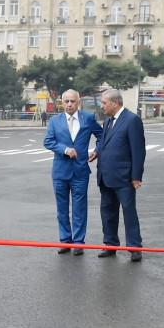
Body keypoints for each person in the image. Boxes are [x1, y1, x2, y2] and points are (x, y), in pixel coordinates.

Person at [43, 89, 103, 255]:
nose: (69, 104)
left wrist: (97, 150)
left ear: (79, 102)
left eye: (73, 101)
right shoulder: (55, 121)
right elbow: (48, 141)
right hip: (60, 172)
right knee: (62, 209)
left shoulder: (88, 119)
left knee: (79, 209)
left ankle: (78, 243)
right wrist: (64, 149)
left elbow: (102, 135)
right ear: (62, 103)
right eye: (66, 101)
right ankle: (65, 241)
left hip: (80, 172)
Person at [94, 89, 146, 262]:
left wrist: (136, 176)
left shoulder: (132, 120)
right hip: (106, 176)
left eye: (104, 103)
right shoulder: (108, 120)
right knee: (107, 212)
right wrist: (97, 150)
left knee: (129, 212)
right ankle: (110, 244)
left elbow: (138, 150)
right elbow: (104, 141)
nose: (102, 107)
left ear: (115, 103)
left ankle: (134, 247)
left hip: (124, 178)